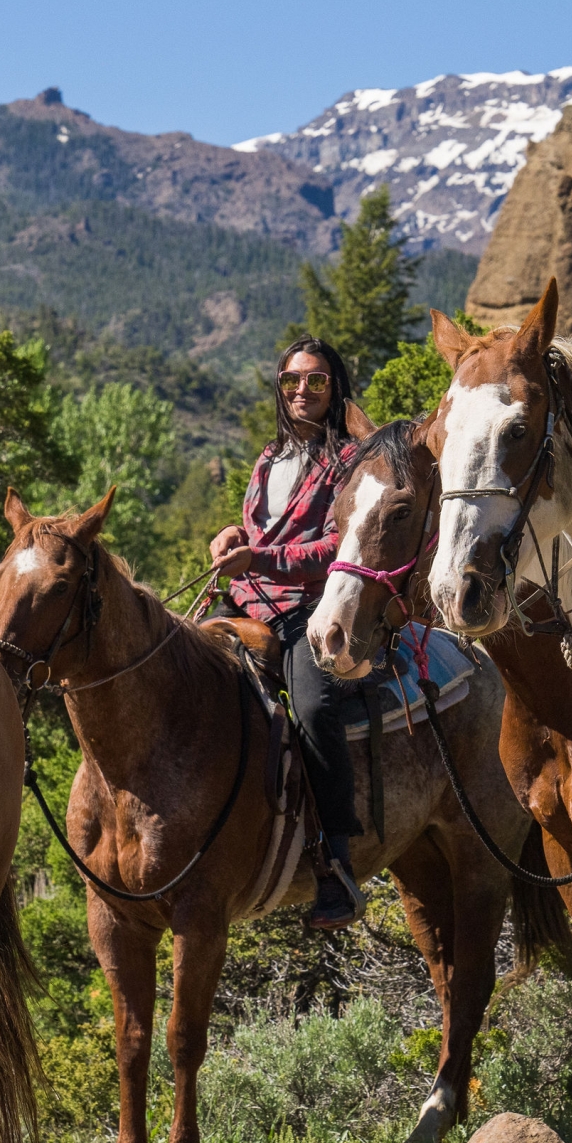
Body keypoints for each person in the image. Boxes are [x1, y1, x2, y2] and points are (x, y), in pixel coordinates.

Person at [208, 338, 367, 928]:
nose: (303, 391)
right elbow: (261, 529)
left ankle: (336, 863)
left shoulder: (349, 462)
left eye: (317, 381)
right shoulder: (268, 458)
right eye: (291, 380)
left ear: (334, 389)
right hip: (247, 603)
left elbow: (336, 548)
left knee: (312, 706)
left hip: (310, 608)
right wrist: (231, 535)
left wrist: (259, 561)